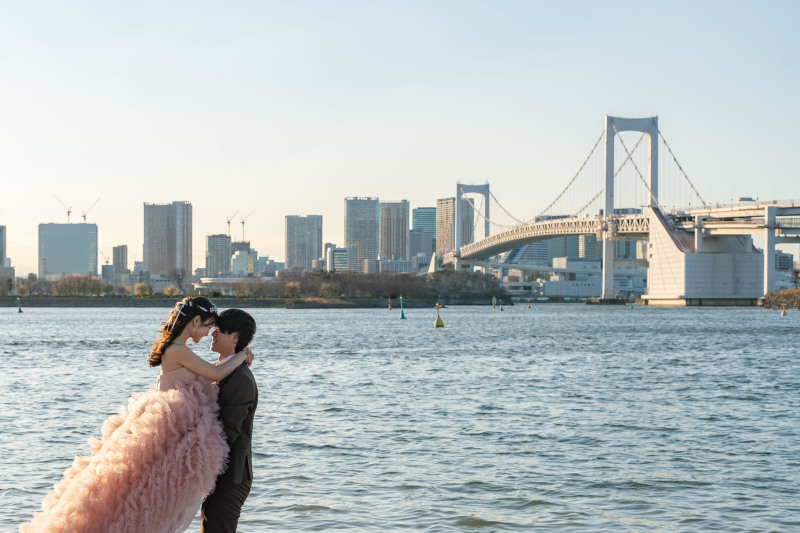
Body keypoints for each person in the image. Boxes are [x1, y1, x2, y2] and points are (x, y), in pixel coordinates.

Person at [20, 297, 253, 533]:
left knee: (144, 495)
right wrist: (242, 356)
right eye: (207, 326)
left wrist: (233, 359)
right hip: (166, 432)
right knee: (140, 495)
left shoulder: (181, 350)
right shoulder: (178, 350)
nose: (207, 333)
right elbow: (214, 373)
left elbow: (209, 371)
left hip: (172, 430)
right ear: (195, 321)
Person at [201, 309, 258, 533]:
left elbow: (227, 433)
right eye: (213, 329)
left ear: (235, 338)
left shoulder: (240, 378)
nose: (212, 335)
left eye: (219, 331)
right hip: (219, 474)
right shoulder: (222, 370)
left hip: (231, 477)